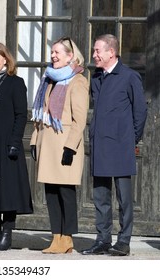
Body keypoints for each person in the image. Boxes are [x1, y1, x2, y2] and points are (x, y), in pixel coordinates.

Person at [81, 34, 147, 256]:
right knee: (100, 196)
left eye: (98, 51)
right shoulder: (97, 78)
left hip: (120, 146)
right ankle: (102, 239)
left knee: (124, 198)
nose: (94, 55)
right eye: (94, 51)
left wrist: (130, 140)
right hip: (100, 145)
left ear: (112, 52)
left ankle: (124, 241)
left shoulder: (129, 77)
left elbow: (140, 112)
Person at [30, 37, 89, 254]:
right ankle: (56, 237)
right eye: (52, 52)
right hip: (48, 142)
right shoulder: (49, 78)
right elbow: (41, 113)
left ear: (70, 56)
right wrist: (35, 141)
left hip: (65, 144)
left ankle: (67, 238)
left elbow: (80, 119)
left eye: (57, 52)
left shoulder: (78, 81)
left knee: (66, 192)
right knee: (51, 192)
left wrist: (70, 147)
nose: (53, 56)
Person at [0, 42, 33, 251]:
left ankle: (7, 232)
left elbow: (21, 115)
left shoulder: (15, 82)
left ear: (5, 60)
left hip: (7, 143)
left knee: (8, 190)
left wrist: (14, 141)